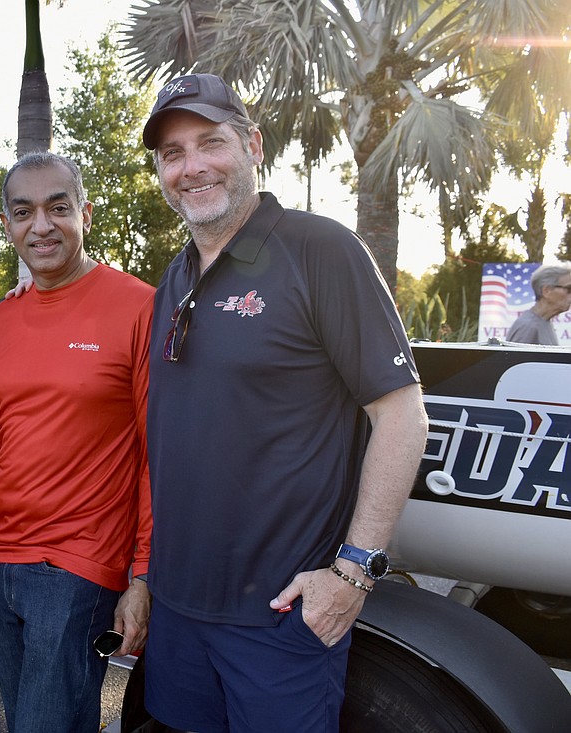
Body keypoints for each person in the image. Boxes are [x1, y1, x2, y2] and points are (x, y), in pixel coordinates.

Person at [140, 74, 429, 732]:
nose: (192, 167)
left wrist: (353, 572)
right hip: (180, 610)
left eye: (210, 143)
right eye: (173, 154)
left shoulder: (318, 249)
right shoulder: (178, 273)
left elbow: (403, 414)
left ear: (252, 146)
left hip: (280, 617)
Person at [0, 151, 154, 733]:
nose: (40, 225)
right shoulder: (3, 320)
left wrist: (142, 575)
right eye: (24, 212)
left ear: (85, 215)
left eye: (57, 208)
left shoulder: (140, 306)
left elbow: (154, 459)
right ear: (8, 225)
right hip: (2, 566)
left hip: (78, 568)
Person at [506, 264, 571, 345]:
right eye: (569, 289)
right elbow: (514, 357)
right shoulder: (528, 327)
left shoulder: (544, 321)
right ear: (546, 291)